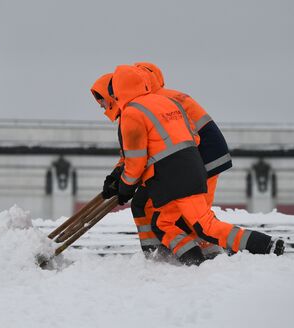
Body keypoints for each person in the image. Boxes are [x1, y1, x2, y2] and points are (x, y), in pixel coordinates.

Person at [90, 65, 284, 265]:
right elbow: (189, 137)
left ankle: (257, 248)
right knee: (166, 222)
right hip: (194, 166)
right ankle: (198, 260)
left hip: (173, 176)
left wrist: (125, 187)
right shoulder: (164, 102)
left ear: (117, 90)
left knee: (202, 225)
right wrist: (119, 177)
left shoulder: (132, 113)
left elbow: (136, 160)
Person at [127, 62, 231, 258]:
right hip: (208, 154)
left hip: (199, 158)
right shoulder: (168, 96)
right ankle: (199, 251)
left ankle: (205, 253)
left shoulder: (153, 101)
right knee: (192, 213)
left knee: (192, 215)